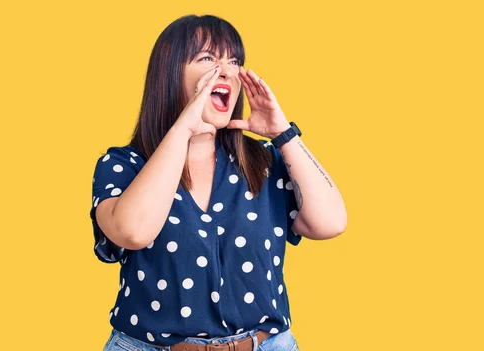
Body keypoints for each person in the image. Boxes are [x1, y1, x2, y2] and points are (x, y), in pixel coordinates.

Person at [90, 14, 347, 351]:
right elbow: (132, 231)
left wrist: (283, 133)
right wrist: (184, 127)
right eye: (208, 58)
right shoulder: (124, 165)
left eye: (234, 60)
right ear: (169, 74)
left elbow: (331, 222)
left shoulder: (265, 162)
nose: (226, 70)